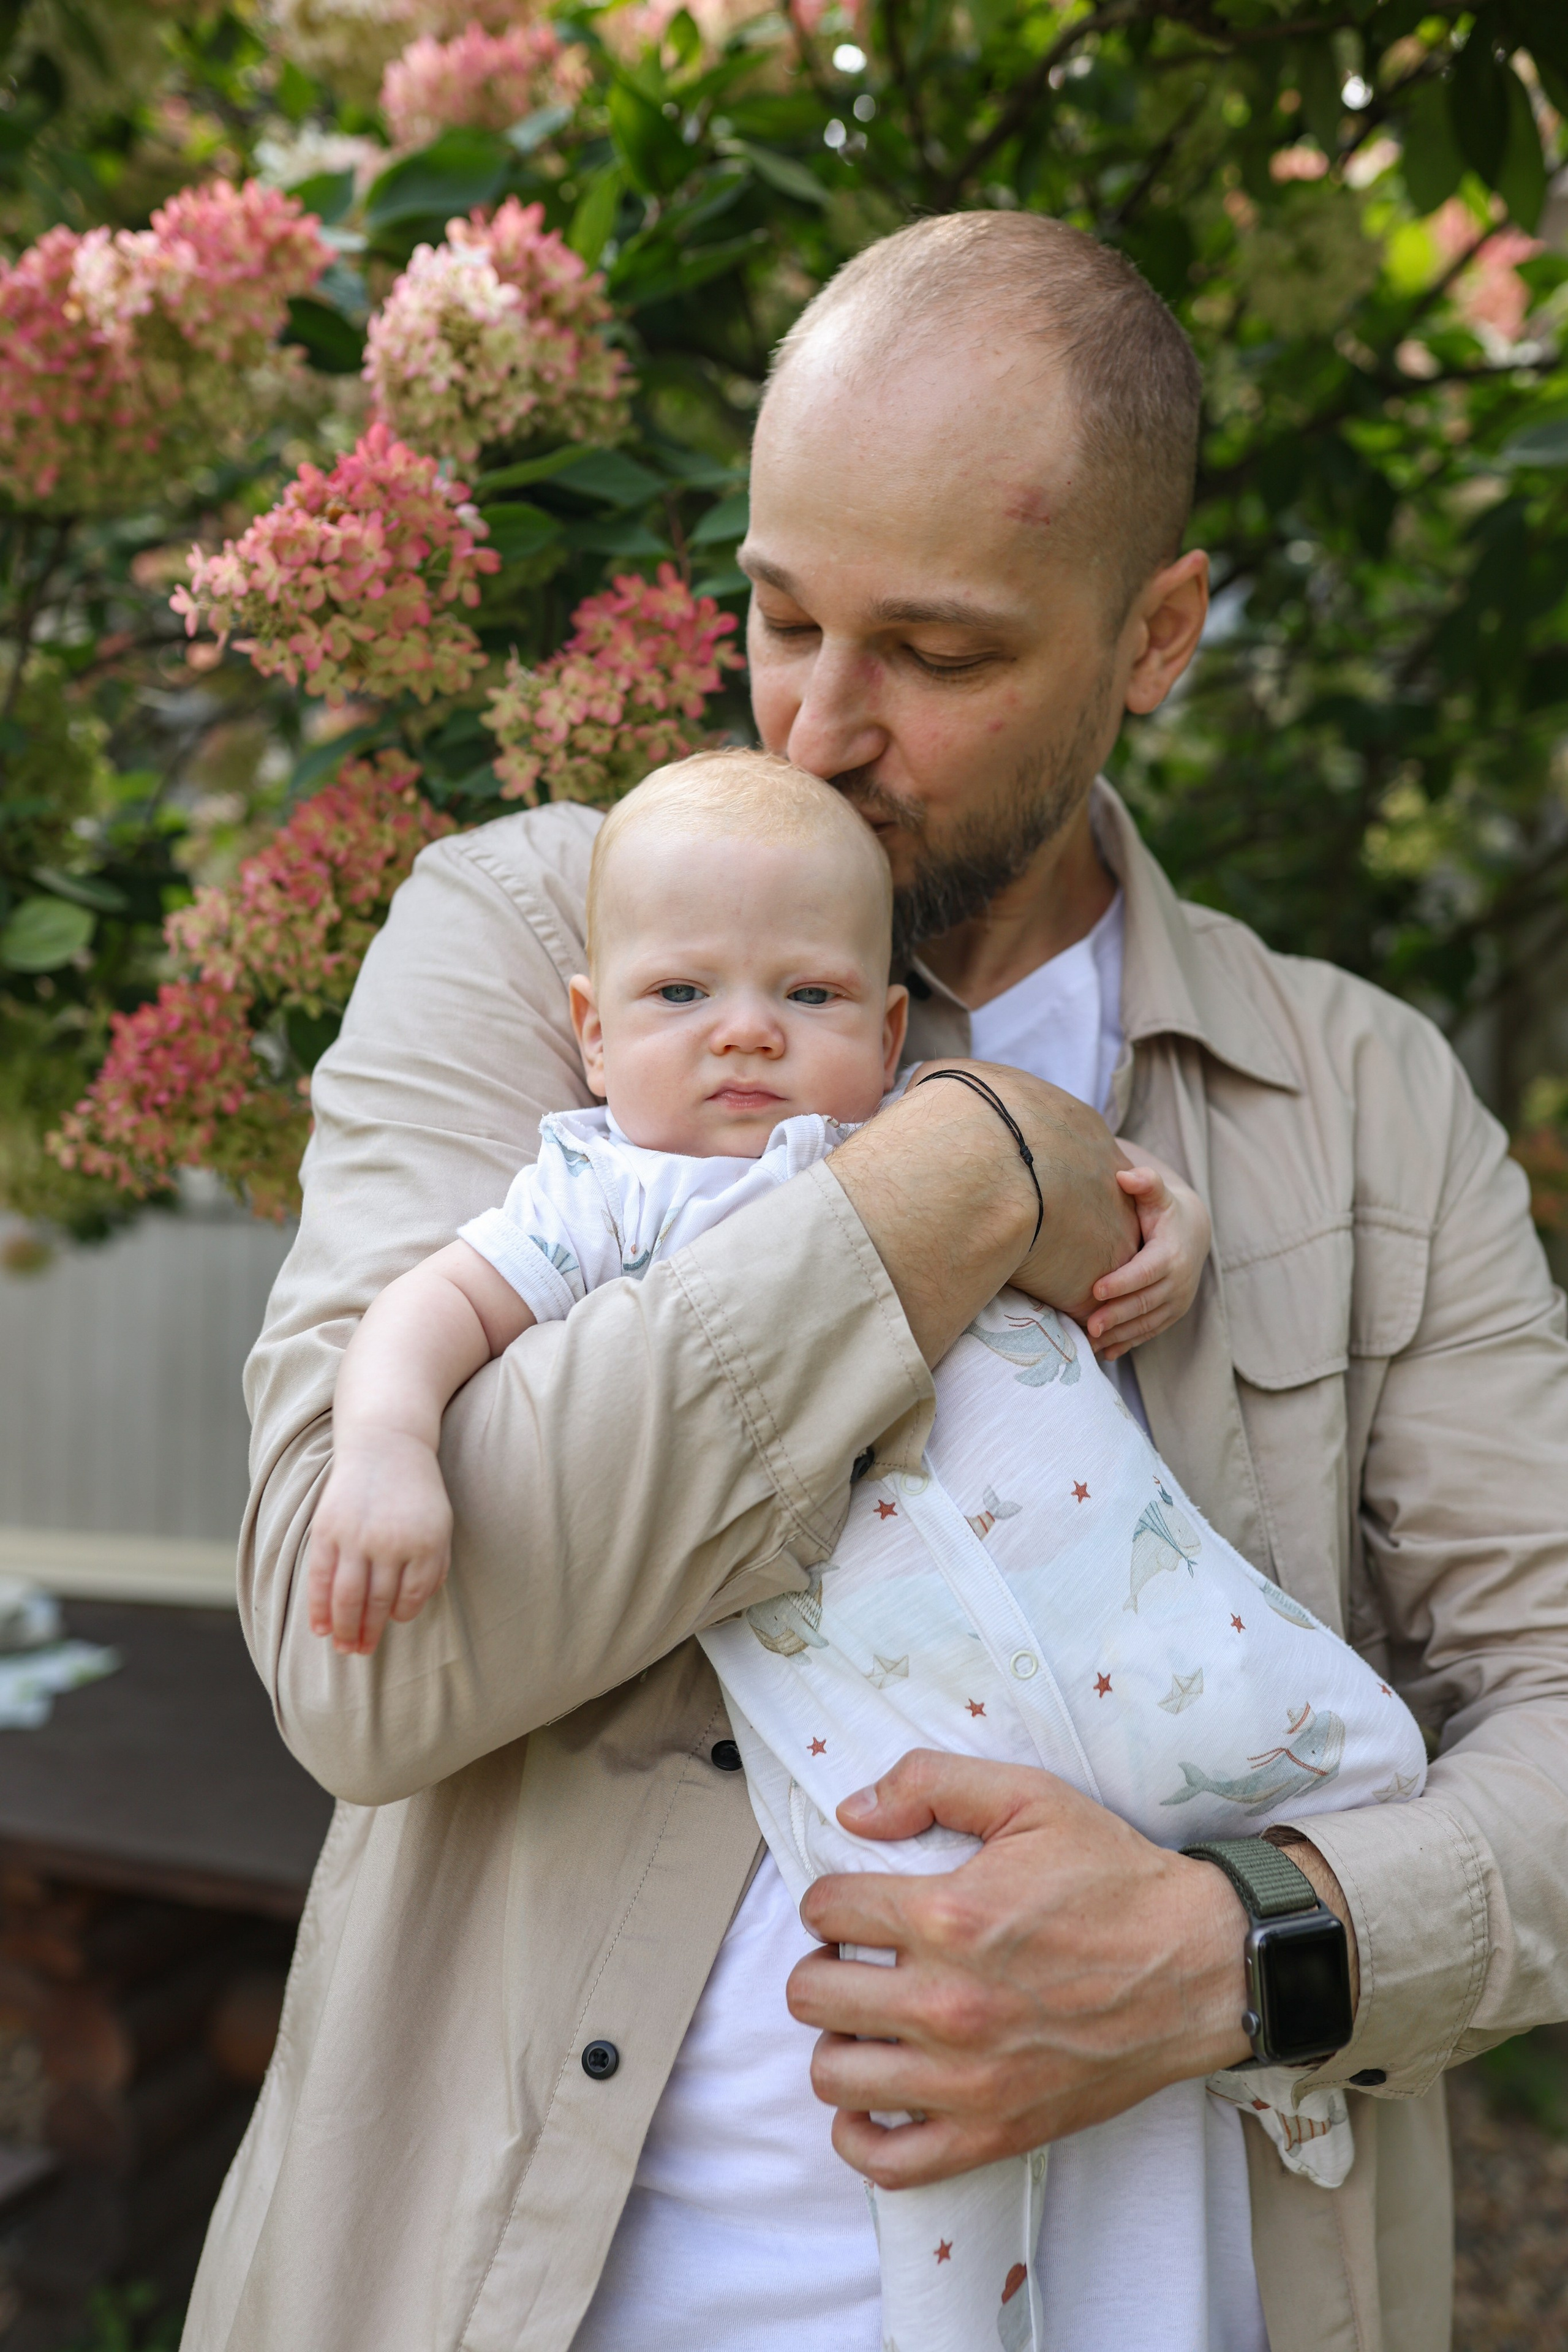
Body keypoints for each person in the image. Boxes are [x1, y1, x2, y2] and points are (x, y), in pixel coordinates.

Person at [184, 212, 1568, 2352]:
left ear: (1157, 634)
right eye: (781, 615)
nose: (822, 726)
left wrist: (1234, 1954)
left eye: (934, 653)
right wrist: (961, 1177)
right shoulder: (540, 949)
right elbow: (357, 1666)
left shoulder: (1361, 1103)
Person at [303, 746, 1430, 2350]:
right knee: (942, 2031)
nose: (748, 1031)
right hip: (886, 1727)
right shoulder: (602, 1195)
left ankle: (1297, 2007)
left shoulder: (906, 1130)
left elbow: (1104, 1189)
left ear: (890, 1032)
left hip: (1113, 1638)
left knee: (1314, 1777)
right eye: (682, 992)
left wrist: (1165, 1224)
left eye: (811, 995)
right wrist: (386, 1453)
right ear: (592, 1031)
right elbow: (427, 1310)